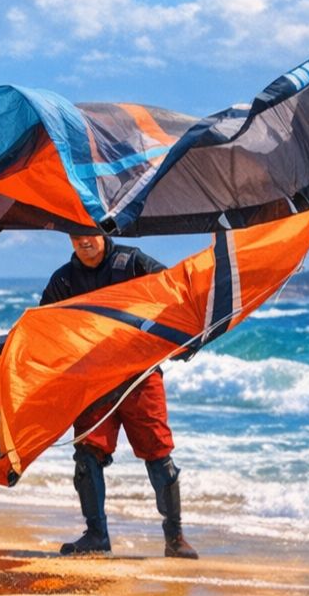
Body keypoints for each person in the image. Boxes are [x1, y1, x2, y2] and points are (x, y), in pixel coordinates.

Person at [42, 233, 199, 559]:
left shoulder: (132, 262)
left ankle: (175, 537)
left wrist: (182, 336)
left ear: (104, 233)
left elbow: (173, 291)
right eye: (75, 234)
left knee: (159, 454)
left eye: (90, 232)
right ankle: (96, 535)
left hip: (139, 375)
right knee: (87, 455)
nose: (84, 240)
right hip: (94, 380)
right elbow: (43, 327)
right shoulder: (64, 280)